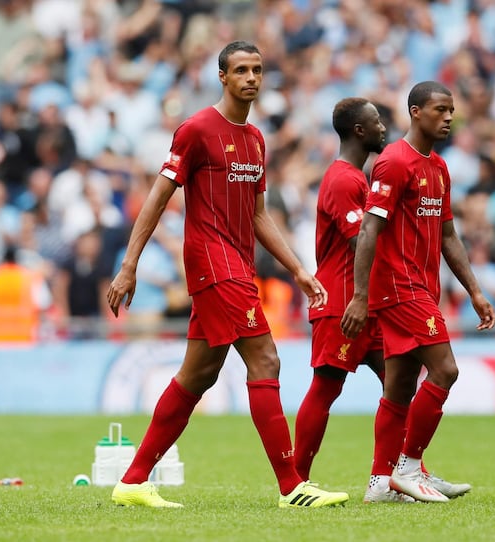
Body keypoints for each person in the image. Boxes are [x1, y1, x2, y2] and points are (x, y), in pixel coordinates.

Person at [106, 41, 349, 509]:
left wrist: (298, 268)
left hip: (237, 263)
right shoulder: (196, 130)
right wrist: (129, 265)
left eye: (257, 70)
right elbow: (157, 197)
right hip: (211, 263)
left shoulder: (256, 140)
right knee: (266, 360)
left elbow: (259, 216)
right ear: (222, 76)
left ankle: (133, 481)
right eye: (241, 70)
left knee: (198, 375)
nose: (251, 78)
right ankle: (292, 486)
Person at [341, 81, 495, 503]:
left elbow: (449, 237)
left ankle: (379, 482)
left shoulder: (439, 169)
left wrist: (475, 291)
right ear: (415, 112)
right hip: (398, 287)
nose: (448, 117)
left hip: (422, 287)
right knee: (445, 370)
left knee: (400, 386)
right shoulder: (393, 163)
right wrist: (359, 295)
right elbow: (369, 229)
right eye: (439, 109)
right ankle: (408, 467)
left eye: (451, 110)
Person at [292, 97, 388, 485]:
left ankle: (401, 473)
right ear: (359, 131)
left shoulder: (356, 178)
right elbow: (360, 242)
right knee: (326, 387)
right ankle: (295, 480)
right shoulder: (343, 180)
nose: (383, 127)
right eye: (377, 121)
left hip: (367, 300)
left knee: (399, 384)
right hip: (344, 302)